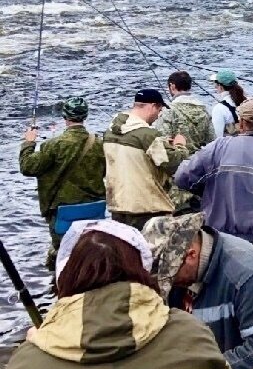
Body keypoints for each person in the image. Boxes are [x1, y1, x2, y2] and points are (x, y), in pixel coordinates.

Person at [3, 220, 231, 369]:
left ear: (65, 278)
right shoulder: (194, 335)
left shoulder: (24, 366)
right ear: (142, 270)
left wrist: (38, 347)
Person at [144, 212, 253, 369]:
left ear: (191, 255)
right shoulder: (188, 271)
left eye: (171, 276)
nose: (169, 283)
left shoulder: (252, 278)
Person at [174, 99, 253, 270]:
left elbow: (182, 178)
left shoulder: (218, 148)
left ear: (241, 122)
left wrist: (206, 189)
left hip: (223, 239)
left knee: (224, 282)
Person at [19, 96, 106, 270]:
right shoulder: (99, 143)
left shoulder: (53, 145)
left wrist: (28, 142)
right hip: (94, 208)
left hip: (63, 212)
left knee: (64, 256)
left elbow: (28, 167)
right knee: (90, 252)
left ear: (65, 116)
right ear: (85, 116)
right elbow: (105, 171)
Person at [104, 89, 189, 231]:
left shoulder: (109, 132)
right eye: (159, 110)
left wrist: (162, 144)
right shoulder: (149, 135)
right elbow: (174, 165)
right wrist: (180, 145)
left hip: (118, 206)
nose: (158, 116)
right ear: (153, 106)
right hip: (146, 207)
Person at [155, 71, 215, 214]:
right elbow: (212, 141)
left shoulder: (168, 111)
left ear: (172, 86)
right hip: (199, 169)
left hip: (177, 172)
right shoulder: (204, 110)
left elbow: (161, 144)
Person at [209, 70, 246, 138]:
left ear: (220, 86)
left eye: (215, 84)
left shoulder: (219, 108)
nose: (215, 87)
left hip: (230, 144)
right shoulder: (246, 101)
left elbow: (218, 136)